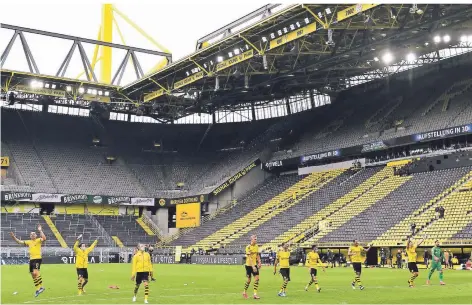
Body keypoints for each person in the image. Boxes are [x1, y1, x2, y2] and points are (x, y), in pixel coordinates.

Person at [10, 225, 46, 297]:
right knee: (33, 275)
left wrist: (40, 230)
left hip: (37, 258)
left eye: (33, 234)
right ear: (30, 236)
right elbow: (19, 242)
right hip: (31, 259)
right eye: (31, 234)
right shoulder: (29, 242)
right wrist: (14, 237)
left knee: (36, 272)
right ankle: (37, 289)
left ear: (36, 235)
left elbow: (44, 238)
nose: (32, 235)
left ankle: (41, 287)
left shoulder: (38, 240)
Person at [243, 235, 261, 300]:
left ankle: (255, 294)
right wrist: (253, 266)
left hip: (254, 265)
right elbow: (249, 257)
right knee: (249, 280)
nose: (256, 240)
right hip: (248, 265)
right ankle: (244, 292)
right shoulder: (248, 247)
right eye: (255, 239)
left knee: (257, 279)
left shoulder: (256, 246)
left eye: (256, 239)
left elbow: (257, 255)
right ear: (251, 240)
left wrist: (259, 262)